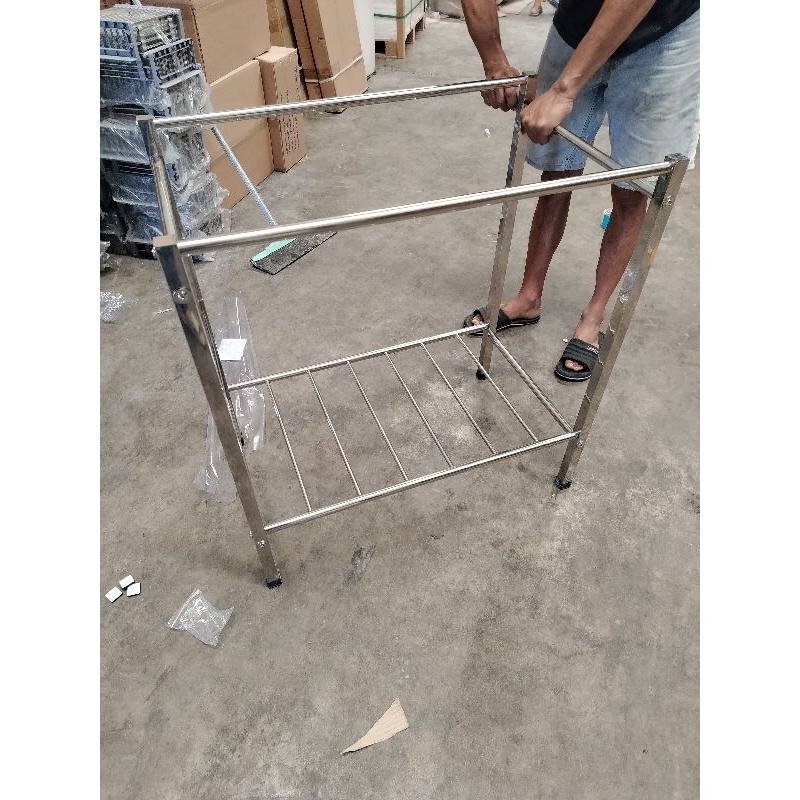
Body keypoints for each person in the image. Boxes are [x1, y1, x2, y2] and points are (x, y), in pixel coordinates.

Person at [460, 0, 700, 381]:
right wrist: (494, 61)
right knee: (558, 169)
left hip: (663, 31)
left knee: (632, 185)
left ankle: (593, 317)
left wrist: (562, 90)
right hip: (578, 19)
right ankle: (528, 297)